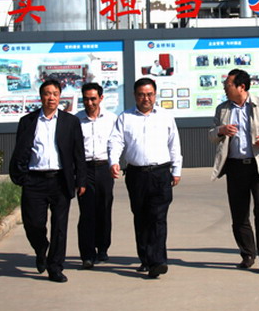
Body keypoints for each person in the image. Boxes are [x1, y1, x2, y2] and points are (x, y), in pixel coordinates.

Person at [9, 79, 86, 283]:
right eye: (47, 93)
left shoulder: (70, 122)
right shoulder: (28, 121)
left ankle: (55, 267)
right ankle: (41, 247)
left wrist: (81, 180)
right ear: (41, 96)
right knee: (33, 224)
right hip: (34, 180)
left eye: (55, 94)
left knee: (60, 226)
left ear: (60, 97)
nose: (51, 97)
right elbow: (20, 150)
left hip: (60, 180)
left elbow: (78, 153)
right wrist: (21, 176)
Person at [209, 69, 259, 273]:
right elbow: (212, 135)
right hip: (235, 166)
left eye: (228, 85)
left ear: (241, 87)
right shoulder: (223, 109)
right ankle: (247, 253)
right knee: (239, 213)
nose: (225, 89)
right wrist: (221, 130)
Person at [108, 77, 182, 279]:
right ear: (135, 96)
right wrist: (113, 161)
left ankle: (158, 261)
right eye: (141, 95)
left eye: (149, 94)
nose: (146, 98)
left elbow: (174, 144)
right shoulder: (125, 117)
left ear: (155, 95)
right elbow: (115, 142)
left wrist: (176, 170)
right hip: (136, 175)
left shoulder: (165, 117)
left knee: (158, 217)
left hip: (160, 173)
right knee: (141, 217)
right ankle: (146, 258)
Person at [74, 82, 117, 269]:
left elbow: (117, 143)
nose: (90, 103)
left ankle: (103, 248)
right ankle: (87, 254)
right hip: (84, 169)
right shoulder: (75, 120)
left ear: (101, 98)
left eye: (93, 99)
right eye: (86, 99)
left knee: (104, 209)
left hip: (104, 168)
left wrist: (115, 163)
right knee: (86, 212)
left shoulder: (112, 119)